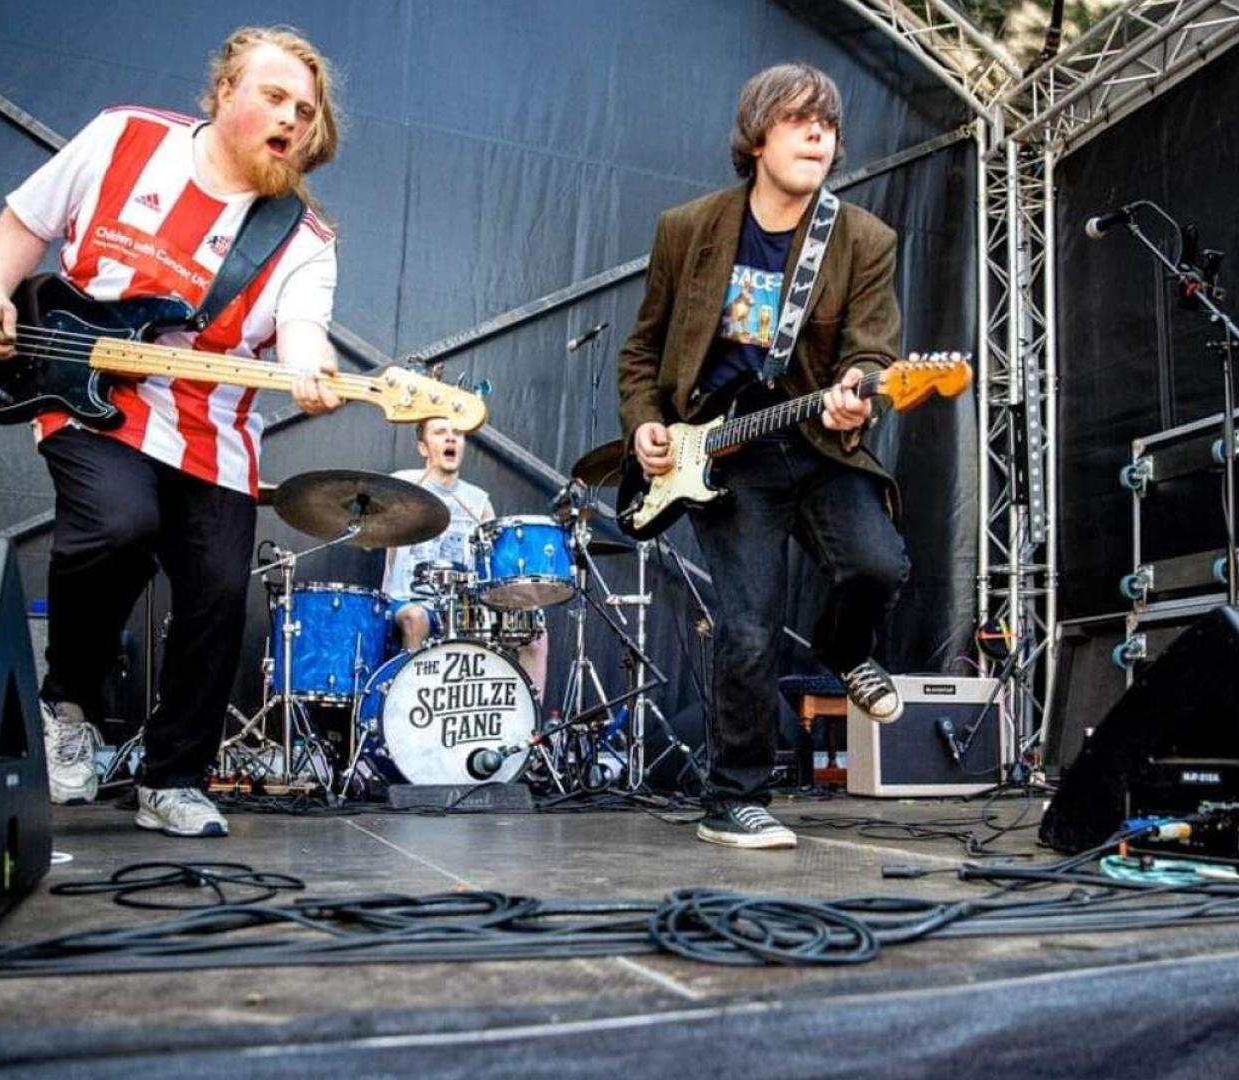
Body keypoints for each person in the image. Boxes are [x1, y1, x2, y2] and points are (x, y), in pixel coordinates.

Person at [0, 26, 346, 837]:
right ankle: (69, 702)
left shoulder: (304, 241)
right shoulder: (125, 137)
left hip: (212, 432)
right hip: (87, 392)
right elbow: (26, 218)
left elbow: (304, 330)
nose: (292, 118)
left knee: (219, 594)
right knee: (118, 522)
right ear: (223, 92)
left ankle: (173, 779)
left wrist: (313, 371)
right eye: (275, 97)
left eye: (305, 110)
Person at [617, 62, 910, 851]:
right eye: (797, 119)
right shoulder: (688, 229)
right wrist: (646, 424)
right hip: (722, 454)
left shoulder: (863, 239)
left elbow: (873, 355)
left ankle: (845, 650)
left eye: (828, 124)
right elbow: (643, 351)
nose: (817, 133)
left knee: (877, 566)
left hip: (816, 440)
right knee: (748, 629)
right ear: (755, 138)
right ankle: (734, 799)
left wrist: (859, 395)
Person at [381, 418, 550, 695]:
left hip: (462, 608)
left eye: (457, 433)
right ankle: (409, 705)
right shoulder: (403, 485)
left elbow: (493, 567)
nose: (451, 438)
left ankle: (532, 720)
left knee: (536, 632)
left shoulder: (478, 502)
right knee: (416, 618)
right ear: (423, 447)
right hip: (407, 599)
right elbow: (372, 531)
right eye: (440, 433)